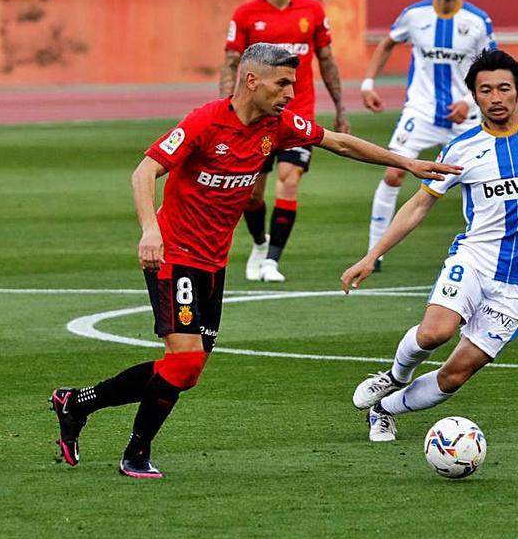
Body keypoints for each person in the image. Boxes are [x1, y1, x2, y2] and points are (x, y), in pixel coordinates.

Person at [49, 44, 458, 479]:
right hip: (174, 254)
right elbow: (144, 171)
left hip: (213, 262)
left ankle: (76, 404)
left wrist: (406, 162)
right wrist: (150, 230)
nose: (290, 92)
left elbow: (337, 142)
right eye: (282, 83)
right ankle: (135, 453)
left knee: (184, 370)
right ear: (251, 81)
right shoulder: (204, 122)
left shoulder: (277, 127)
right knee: (184, 362)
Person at [341, 49, 518, 443]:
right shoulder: (462, 148)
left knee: (455, 374)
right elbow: (418, 205)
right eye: (485, 90)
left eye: (504, 88)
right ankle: (392, 376)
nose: (496, 97)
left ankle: (384, 409)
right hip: (474, 260)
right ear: (474, 96)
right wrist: (372, 255)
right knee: (434, 333)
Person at [360, 0, 496, 273]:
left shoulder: (477, 21)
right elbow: (387, 43)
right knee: (393, 172)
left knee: (486, 178)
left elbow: (490, 68)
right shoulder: (414, 15)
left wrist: (468, 99)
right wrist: (367, 83)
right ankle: (374, 252)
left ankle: (489, 248)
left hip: (465, 114)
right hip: (421, 111)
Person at [221, 0, 351, 283]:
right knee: (251, 193)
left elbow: (327, 60)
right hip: (256, 116)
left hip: (298, 113)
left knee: (289, 179)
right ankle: (260, 244)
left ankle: (272, 261)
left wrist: (340, 107)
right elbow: (231, 65)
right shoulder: (246, 14)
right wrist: (226, 110)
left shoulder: (312, 10)